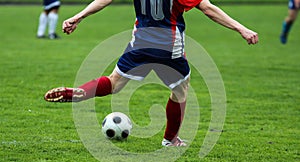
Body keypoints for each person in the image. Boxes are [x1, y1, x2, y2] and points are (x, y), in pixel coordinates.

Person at [44, 0, 258, 146]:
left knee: (114, 83)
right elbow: (208, 8)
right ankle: (170, 140)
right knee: (180, 92)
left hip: (141, 43)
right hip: (169, 46)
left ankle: (78, 93)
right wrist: (241, 28)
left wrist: (79, 16)